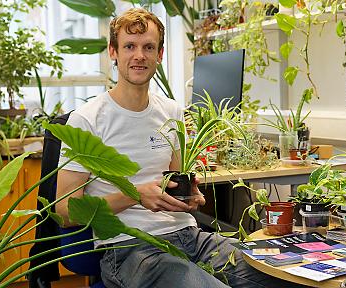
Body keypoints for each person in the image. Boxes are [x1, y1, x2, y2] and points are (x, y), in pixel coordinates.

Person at [55, 8, 303, 288]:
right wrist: (135, 195)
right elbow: (64, 212)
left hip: (190, 238)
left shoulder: (171, 112)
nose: (140, 55)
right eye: (129, 47)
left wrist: (190, 197)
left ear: (160, 55)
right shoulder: (86, 120)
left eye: (149, 47)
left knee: (286, 275)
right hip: (131, 251)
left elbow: (175, 184)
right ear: (113, 52)